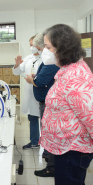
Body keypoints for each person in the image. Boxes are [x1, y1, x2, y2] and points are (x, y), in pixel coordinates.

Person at [40, 24, 93, 185]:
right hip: (66, 147)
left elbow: (90, 115)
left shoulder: (75, 76)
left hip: (73, 149)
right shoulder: (67, 70)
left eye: (48, 47)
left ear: (61, 48)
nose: (44, 51)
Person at [25, 33, 60, 177]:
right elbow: (40, 77)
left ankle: (51, 167)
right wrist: (36, 78)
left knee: (50, 134)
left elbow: (40, 81)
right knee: (46, 132)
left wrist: (32, 80)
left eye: (45, 47)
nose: (41, 50)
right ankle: (48, 156)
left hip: (48, 103)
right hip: (44, 101)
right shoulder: (46, 61)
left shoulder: (51, 62)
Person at [12, 35, 42, 149]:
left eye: (34, 45)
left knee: (45, 121)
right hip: (30, 94)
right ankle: (34, 142)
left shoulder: (47, 59)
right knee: (33, 118)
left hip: (43, 94)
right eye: (30, 45)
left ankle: (48, 146)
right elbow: (16, 72)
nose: (32, 47)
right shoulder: (28, 58)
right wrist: (17, 64)